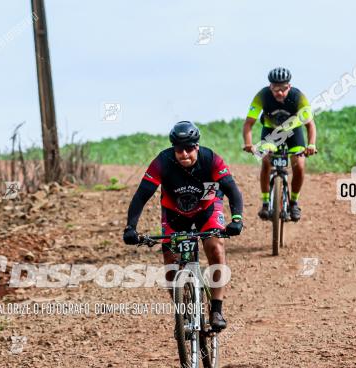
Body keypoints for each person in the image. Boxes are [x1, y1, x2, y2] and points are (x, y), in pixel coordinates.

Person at [122, 121, 244, 330]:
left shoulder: (211, 160)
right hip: (174, 213)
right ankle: (182, 311)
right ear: (173, 149)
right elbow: (142, 195)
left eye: (189, 148)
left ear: (197, 146)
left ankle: (216, 309)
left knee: (215, 247)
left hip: (207, 207)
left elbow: (232, 190)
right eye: (179, 150)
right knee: (170, 261)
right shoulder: (162, 161)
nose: (184, 154)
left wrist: (237, 219)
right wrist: (130, 227)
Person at [242, 67, 317, 222]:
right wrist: (248, 144)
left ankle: (294, 202)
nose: (280, 93)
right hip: (271, 132)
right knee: (265, 161)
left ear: (289, 86)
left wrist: (311, 145)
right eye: (276, 89)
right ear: (270, 87)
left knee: (300, 164)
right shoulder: (262, 96)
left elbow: (310, 125)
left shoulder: (298, 97)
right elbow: (248, 123)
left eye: (283, 89)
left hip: (292, 132)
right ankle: (265, 202)